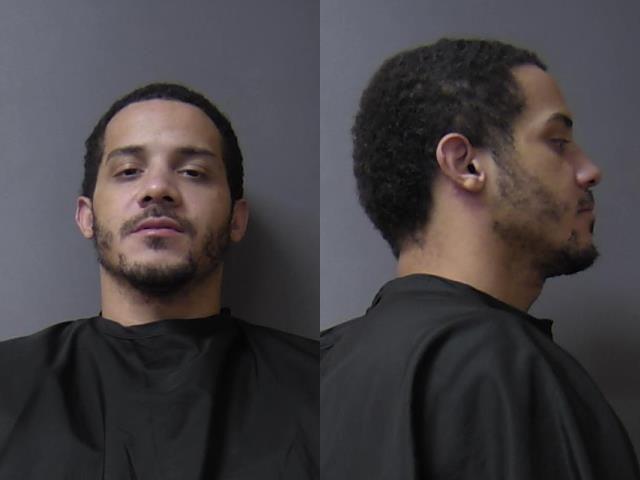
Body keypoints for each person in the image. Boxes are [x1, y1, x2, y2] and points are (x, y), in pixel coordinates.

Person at [321, 39, 640, 479]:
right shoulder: (506, 367)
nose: (589, 170)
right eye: (558, 142)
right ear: (466, 164)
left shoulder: (322, 365)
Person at [0, 83, 318, 479]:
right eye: (128, 171)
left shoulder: (322, 386)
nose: (157, 189)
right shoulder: (7, 386)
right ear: (87, 216)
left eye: (193, 172)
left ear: (236, 220)